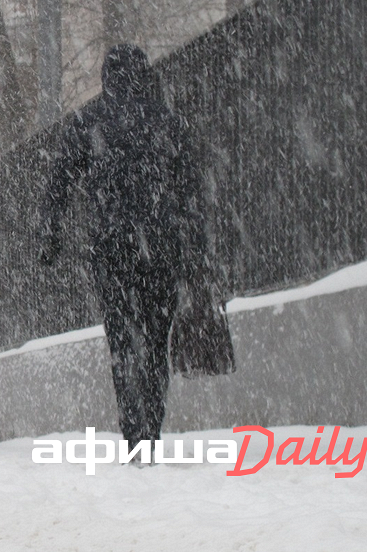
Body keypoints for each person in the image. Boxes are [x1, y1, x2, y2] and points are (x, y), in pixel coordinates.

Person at [37, 44, 232, 452]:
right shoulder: (168, 122)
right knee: (157, 341)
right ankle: (151, 430)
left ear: (107, 78)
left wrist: (50, 234)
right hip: (160, 249)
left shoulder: (87, 122)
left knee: (122, 340)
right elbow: (191, 195)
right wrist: (197, 256)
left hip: (110, 250)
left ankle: (132, 429)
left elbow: (58, 183)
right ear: (145, 75)